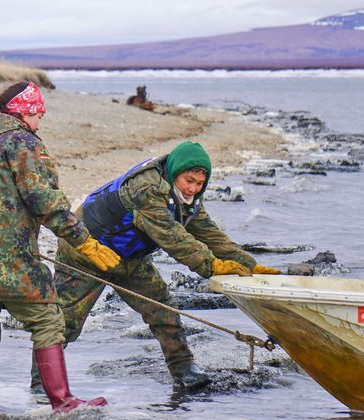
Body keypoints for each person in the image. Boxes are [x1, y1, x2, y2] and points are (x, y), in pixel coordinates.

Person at [28, 140, 282, 392]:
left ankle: (184, 371)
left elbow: (209, 233)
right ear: (174, 173)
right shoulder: (147, 190)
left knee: (163, 309)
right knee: (65, 323)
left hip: (129, 258)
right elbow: (173, 238)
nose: (193, 188)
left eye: (199, 183)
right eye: (188, 181)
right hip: (85, 250)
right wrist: (212, 267)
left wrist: (249, 265)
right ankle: (42, 386)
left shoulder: (187, 198)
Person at [0, 81, 121, 414]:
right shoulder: (22, 142)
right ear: (23, 111)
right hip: (10, 258)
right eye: (38, 113)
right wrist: (84, 242)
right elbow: (45, 200)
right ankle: (62, 401)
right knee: (48, 319)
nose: (40, 121)